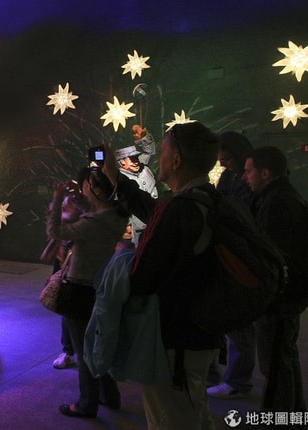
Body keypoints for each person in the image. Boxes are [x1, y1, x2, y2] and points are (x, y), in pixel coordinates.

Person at [102, 121, 223, 430]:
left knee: (171, 418)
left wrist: (123, 255)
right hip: (200, 334)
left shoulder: (182, 209)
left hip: (177, 341)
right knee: (194, 412)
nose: (157, 159)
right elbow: (154, 210)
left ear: (177, 160)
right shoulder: (205, 198)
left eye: (164, 152)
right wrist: (115, 178)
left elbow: (144, 278)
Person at [46, 167, 129, 418]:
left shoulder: (93, 223)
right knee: (98, 346)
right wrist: (82, 202)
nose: (82, 186)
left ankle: (86, 403)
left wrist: (57, 198)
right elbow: (95, 212)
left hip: (79, 289)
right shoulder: (114, 216)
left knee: (84, 350)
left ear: (97, 190)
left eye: (87, 183)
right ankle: (110, 395)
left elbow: (55, 231)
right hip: (99, 287)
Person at [242, 146, 308, 415]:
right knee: (285, 358)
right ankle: (295, 414)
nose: (244, 177)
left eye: (248, 171)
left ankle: (279, 417)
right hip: (290, 297)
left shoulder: (276, 204)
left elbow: (271, 256)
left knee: (275, 364)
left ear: (265, 173)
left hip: (279, 301)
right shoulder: (285, 197)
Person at [207, 131, 256, 399]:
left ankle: (238, 380)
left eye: (225, 158)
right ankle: (234, 377)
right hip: (229, 254)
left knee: (240, 324)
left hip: (241, 257)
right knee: (234, 323)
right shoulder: (229, 176)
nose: (221, 162)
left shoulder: (244, 180)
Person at [40, 189, 87, 369]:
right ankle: (68, 351)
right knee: (67, 311)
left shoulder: (84, 219)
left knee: (73, 312)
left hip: (78, 268)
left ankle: (75, 352)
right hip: (65, 266)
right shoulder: (68, 221)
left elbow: (56, 227)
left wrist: (60, 200)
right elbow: (55, 229)